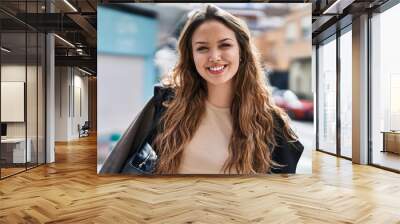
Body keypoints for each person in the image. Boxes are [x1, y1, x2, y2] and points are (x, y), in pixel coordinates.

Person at [99, 4, 303, 175]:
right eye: (202, 48)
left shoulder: (272, 124)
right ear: (191, 57)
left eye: (224, 45)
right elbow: (118, 163)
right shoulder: (166, 104)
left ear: (242, 52)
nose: (214, 56)